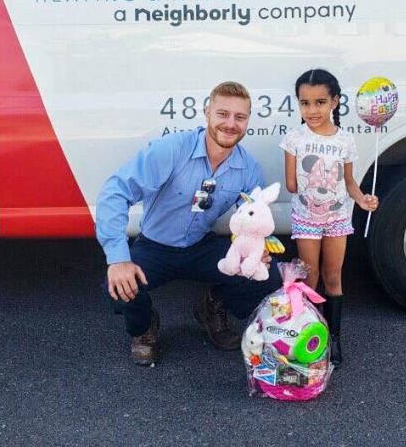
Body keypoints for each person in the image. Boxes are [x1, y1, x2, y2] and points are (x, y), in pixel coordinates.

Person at [96, 81, 281, 366]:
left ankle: (211, 305)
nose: (230, 124)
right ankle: (144, 327)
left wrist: (257, 251)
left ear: (247, 121)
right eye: (222, 114)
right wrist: (118, 258)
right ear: (207, 113)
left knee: (267, 276)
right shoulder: (171, 149)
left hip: (199, 245)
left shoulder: (249, 168)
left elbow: (252, 222)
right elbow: (115, 192)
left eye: (239, 117)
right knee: (118, 286)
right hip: (156, 245)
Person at [279, 69, 379, 367]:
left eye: (320, 102)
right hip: (306, 218)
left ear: (335, 102)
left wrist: (363, 199)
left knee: (333, 276)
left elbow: (349, 182)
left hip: (337, 219)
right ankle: (309, 336)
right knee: (309, 277)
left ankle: (333, 338)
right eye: (305, 103)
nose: (312, 110)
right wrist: (308, 180)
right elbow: (291, 185)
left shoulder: (345, 140)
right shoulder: (294, 138)